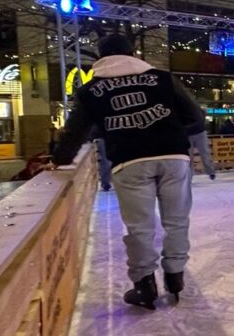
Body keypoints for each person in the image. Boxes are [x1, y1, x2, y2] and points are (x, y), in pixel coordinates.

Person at [51, 34, 202, 309]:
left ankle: (145, 285)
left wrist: (61, 157)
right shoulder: (162, 77)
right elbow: (195, 117)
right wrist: (171, 130)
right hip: (173, 157)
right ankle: (175, 277)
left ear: (100, 57)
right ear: (132, 53)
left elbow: (75, 132)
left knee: (139, 227)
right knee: (176, 221)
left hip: (130, 160)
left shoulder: (89, 91)